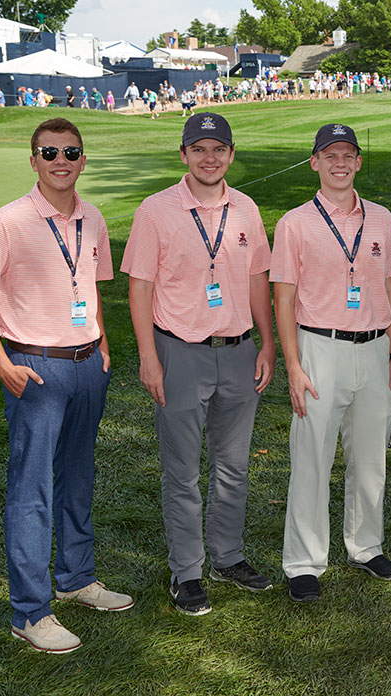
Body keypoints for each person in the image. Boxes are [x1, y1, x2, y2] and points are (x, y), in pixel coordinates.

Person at [0, 117, 133, 654]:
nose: (61, 160)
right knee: (32, 488)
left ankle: (77, 577)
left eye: (71, 152)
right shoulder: (6, 221)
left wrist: (101, 341)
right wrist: (0, 363)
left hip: (86, 365)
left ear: (83, 159)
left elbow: (89, 286)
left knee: (78, 475)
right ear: (33, 159)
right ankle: (30, 612)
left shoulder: (94, 218)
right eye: (50, 151)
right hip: (34, 368)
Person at [122, 112, 276, 616]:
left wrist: (267, 343)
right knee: (182, 471)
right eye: (199, 149)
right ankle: (187, 571)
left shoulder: (247, 209)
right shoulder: (156, 210)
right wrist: (148, 355)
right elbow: (139, 285)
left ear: (231, 154)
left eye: (218, 149)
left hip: (238, 351)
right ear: (184, 154)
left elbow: (258, 280)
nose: (209, 158)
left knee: (233, 467)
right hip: (180, 352)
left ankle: (227, 557)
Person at [272, 124, 391, 603]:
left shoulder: (382, 219)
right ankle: (304, 561)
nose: (340, 163)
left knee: (370, 459)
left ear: (359, 162)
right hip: (319, 347)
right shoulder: (295, 223)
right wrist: (293, 365)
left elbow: (389, 285)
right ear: (315, 162)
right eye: (330, 155)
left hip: (373, 348)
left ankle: (366, 546)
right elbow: (282, 299)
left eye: (348, 154)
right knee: (311, 458)